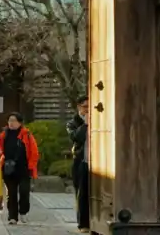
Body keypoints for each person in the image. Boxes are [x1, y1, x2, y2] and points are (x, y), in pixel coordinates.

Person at [0, 112, 39, 225]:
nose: (11, 123)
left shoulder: (26, 134)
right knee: (11, 193)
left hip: (23, 168)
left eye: (14, 120)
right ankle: (12, 217)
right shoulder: (4, 134)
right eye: (9, 120)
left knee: (24, 192)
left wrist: (31, 166)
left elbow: (34, 152)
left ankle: (23, 212)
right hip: (8, 168)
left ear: (20, 122)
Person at [66, 96, 91, 233]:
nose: (87, 109)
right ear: (79, 107)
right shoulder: (72, 123)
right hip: (81, 160)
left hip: (95, 160)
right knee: (81, 192)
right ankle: (83, 223)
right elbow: (76, 137)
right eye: (85, 106)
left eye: (89, 106)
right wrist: (85, 124)